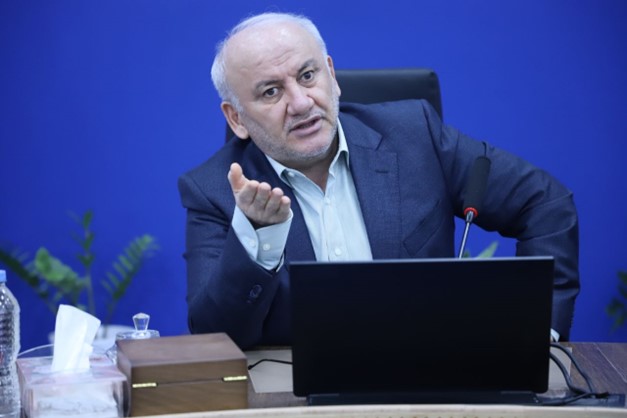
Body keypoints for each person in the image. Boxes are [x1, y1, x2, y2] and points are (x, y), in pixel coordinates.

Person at [178, 12, 579, 350]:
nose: (300, 103)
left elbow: (544, 203)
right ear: (236, 118)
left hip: (430, 380)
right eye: (271, 92)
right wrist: (258, 242)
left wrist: (539, 329)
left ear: (331, 75)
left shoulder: (415, 136)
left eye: (307, 75)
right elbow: (215, 336)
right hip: (297, 396)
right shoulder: (214, 190)